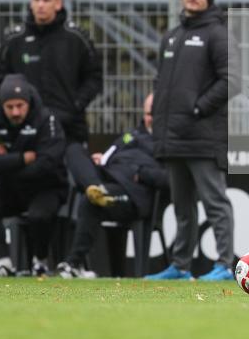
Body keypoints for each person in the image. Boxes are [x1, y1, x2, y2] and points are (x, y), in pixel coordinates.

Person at [147, 0, 240, 281]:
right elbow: (160, 82)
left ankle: (224, 265)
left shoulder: (218, 34)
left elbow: (232, 81)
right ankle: (180, 266)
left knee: (215, 203)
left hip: (203, 137)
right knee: (182, 208)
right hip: (173, 137)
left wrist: (198, 108)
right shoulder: (172, 36)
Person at [57, 93, 168, 278]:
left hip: (133, 193)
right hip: (108, 177)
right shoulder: (131, 135)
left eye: (157, 114)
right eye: (149, 114)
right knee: (74, 149)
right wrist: (101, 160)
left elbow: (169, 180)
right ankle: (95, 187)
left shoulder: (169, 144)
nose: (152, 119)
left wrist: (140, 173)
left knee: (90, 202)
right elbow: (109, 155)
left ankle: (73, 264)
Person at [0, 74, 67, 277]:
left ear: (28, 102)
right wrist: (21, 158)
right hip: (11, 188)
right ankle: (3, 263)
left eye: (20, 106)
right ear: (2, 105)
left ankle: (40, 261)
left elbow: (48, 163)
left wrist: (5, 163)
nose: (15, 112)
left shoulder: (46, 119)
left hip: (47, 187)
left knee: (38, 216)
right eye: (10, 107)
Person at [0, 0, 102, 144]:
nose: (40, 5)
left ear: (58, 4)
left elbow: (94, 77)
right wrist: (18, 108)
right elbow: (1, 80)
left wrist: (76, 104)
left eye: (46, 0)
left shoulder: (76, 38)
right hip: (25, 127)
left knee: (77, 161)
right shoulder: (14, 40)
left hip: (69, 127)